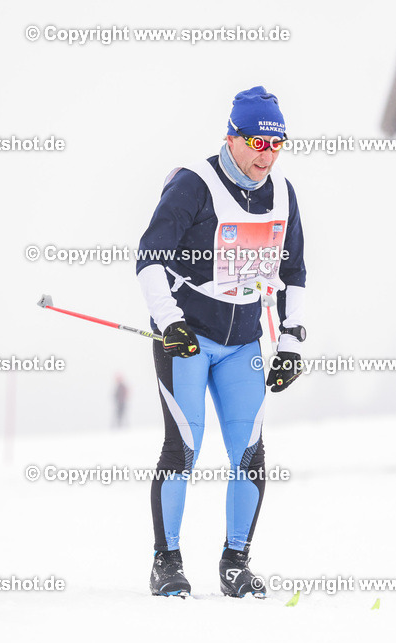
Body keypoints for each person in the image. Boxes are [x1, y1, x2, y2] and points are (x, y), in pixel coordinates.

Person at [136, 86, 307, 598]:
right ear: (231, 138)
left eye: (276, 145)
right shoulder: (195, 183)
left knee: (249, 451)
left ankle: (236, 561)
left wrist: (293, 341)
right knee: (184, 446)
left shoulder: (283, 194)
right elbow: (149, 258)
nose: (266, 155)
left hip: (244, 343)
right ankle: (166, 561)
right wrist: (169, 321)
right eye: (257, 142)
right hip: (189, 338)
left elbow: (293, 272)